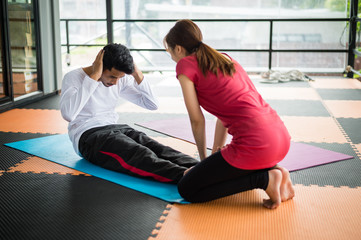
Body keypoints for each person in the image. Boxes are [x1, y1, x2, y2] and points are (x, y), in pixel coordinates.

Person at [164, 20, 295, 209]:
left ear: (177, 49)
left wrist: (202, 161)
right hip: (280, 139)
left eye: (169, 53)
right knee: (215, 170)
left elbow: (197, 120)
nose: (172, 58)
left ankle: (264, 179)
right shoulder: (223, 58)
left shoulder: (185, 66)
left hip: (256, 144)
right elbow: (222, 115)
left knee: (187, 188)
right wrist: (216, 150)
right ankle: (275, 171)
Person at [60, 43, 198, 183]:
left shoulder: (119, 78)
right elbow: (68, 115)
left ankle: (202, 168)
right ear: (99, 66)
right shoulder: (73, 77)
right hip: (89, 137)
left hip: (117, 128)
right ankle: (187, 176)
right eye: (112, 77)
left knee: (157, 148)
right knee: (138, 153)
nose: (115, 82)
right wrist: (94, 77)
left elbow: (152, 104)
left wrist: (137, 74)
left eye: (119, 78)